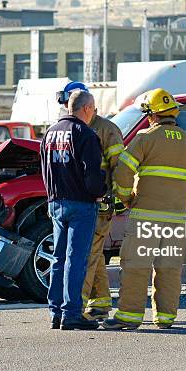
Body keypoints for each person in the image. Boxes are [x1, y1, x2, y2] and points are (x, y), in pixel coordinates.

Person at [103, 88, 186, 330]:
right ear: (173, 114)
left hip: (145, 218)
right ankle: (165, 318)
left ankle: (129, 317)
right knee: (169, 269)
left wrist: (127, 198)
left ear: (152, 115)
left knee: (136, 266)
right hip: (177, 222)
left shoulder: (144, 139)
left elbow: (122, 171)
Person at [56, 81, 124, 321]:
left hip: (99, 204)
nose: (67, 109)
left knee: (85, 256)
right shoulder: (72, 128)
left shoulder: (105, 129)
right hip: (80, 203)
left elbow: (120, 167)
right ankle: (101, 303)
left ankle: (78, 308)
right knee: (92, 254)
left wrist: (117, 199)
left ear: (88, 106)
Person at [40, 89, 106, 331]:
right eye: (94, 110)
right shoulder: (85, 134)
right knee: (76, 260)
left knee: (58, 259)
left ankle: (55, 313)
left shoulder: (49, 133)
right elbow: (92, 177)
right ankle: (71, 313)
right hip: (81, 204)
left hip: (55, 202)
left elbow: (44, 169)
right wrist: (101, 190)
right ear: (87, 109)